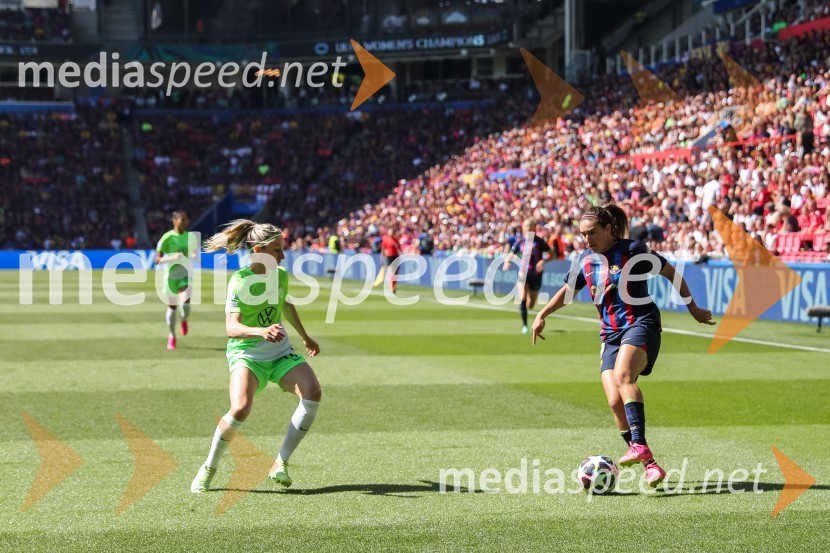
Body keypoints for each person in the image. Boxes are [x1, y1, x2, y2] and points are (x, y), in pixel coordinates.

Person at [531, 205, 715, 487]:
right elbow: (568, 291)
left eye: (592, 233)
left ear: (609, 229)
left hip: (642, 324)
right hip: (610, 335)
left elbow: (671, 274)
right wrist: (543, 314)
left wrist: (693, 309)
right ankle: (650, 465)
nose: (587, 240)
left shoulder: (634, 251)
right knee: (615, 401)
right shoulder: (586, 261)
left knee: (623, 377)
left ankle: (638, 444)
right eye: (582, 235)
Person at [191, 219, 322, 492]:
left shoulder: (280, 275)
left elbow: (285, 305)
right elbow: (231, 327)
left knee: (312, 392)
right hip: (247, 354)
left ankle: (280, 463)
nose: (283, 255)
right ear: (259, 250)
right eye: (277, 250)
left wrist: (305, 335)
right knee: (240, 408)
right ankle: (209, 467)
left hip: (280, 352)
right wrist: (260, 331)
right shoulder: (240, 281)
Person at [155, 211, 198, 350]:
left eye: (186, 220)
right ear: (174, 220)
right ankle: (172, 336)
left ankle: (184, 320)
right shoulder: (167, 238)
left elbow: (194, 251)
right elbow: (157, 260)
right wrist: (171, 258)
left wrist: (194, 254)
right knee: (172, 308)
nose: (185, 222)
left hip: (186, 273)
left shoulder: (190, 236)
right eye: (182, 219)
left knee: (185, 304)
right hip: (171, 276)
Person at [502, 218, 553, 334]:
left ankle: (528, 306)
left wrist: (543, 261)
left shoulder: (540, 242)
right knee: (523, 298)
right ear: (523, 228)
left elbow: (553, 255)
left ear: (534, 228)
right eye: (526, 226)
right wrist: (507, 261)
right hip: (523, 273)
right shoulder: (520, 241)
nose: (529, 228)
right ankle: (524, 325)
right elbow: (511, 253)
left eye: (531, 226)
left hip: (536, 275)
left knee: (531, 304)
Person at [381, 228, 402, 294]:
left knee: (396, 273)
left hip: (395, 257)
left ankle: (394, 285)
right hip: (389, 257)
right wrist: (382, 258)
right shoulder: (386, 240)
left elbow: (399, 249)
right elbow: (383, 250)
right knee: (392, 272)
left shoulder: (396, 240)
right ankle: (392, 287)